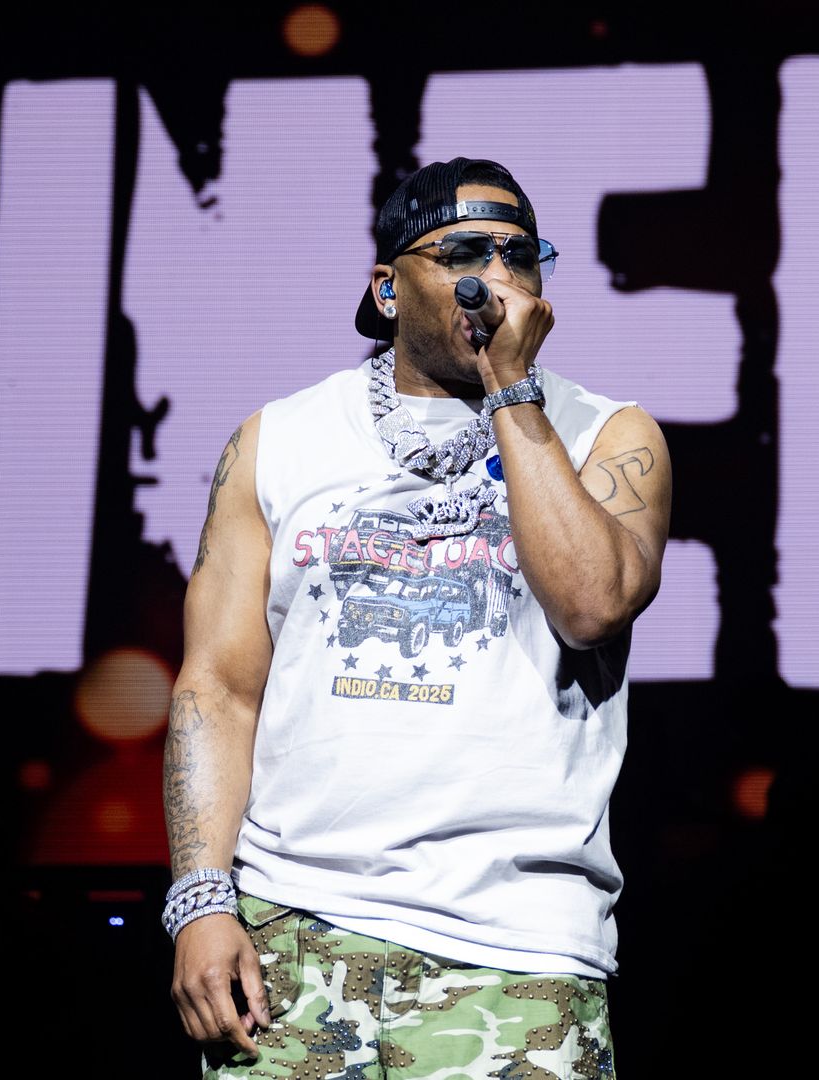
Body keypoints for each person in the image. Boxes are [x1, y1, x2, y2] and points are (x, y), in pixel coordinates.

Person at [162, 156, 670, 1078]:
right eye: (465, 251)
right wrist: (203, 903)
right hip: (293, 940)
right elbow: (220, 689)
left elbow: (593, 606)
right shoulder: (277, 441)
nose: (498, 275)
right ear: (388, 288)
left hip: (518, 953)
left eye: (521, 254)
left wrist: (512, 389)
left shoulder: (610, 435)